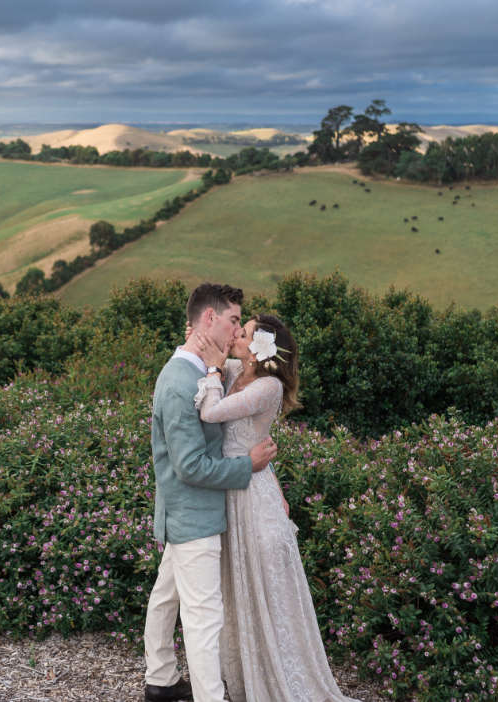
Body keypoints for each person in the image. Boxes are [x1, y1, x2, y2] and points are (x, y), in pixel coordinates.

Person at [192, 313, 359, 702]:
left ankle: (283, 676)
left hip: (254, 497)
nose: (236, 334)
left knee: (266, 586)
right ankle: (250, 674)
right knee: (240, 584)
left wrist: (214, 371)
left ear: (258, 348)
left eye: (244, 332)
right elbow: (212, 351)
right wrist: (201, 339)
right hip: (236, 485)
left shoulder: (267, 386)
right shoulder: (236, 369)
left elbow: (211, 413)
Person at [143, 283, 279, 702]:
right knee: (203, 617)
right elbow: (189, 466)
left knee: (166, 597)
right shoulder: (181, 382)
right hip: (194, 516)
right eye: (234, 319)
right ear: (209, 319)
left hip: (182, 512)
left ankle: (161, 681)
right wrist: (248, 467)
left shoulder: (197, 370)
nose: (238, 329)